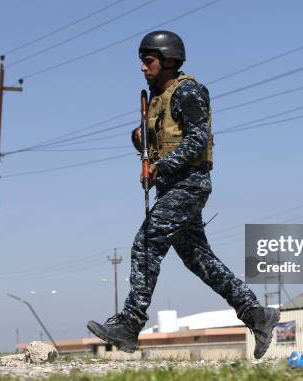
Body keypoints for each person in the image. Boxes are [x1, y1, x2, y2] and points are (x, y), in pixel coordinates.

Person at [87, 30, 280, 359]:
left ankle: (130, 324)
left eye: (148, 61)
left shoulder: (187, 91)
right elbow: (154, 143)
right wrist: (141, 141)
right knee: (201, 262)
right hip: (173, 187)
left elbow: (196, 141)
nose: (143, 68)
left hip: (189, 184)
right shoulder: (158, 98)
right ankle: (257, 315)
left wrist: (159, 168)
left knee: (147, 242)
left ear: (168, 61)